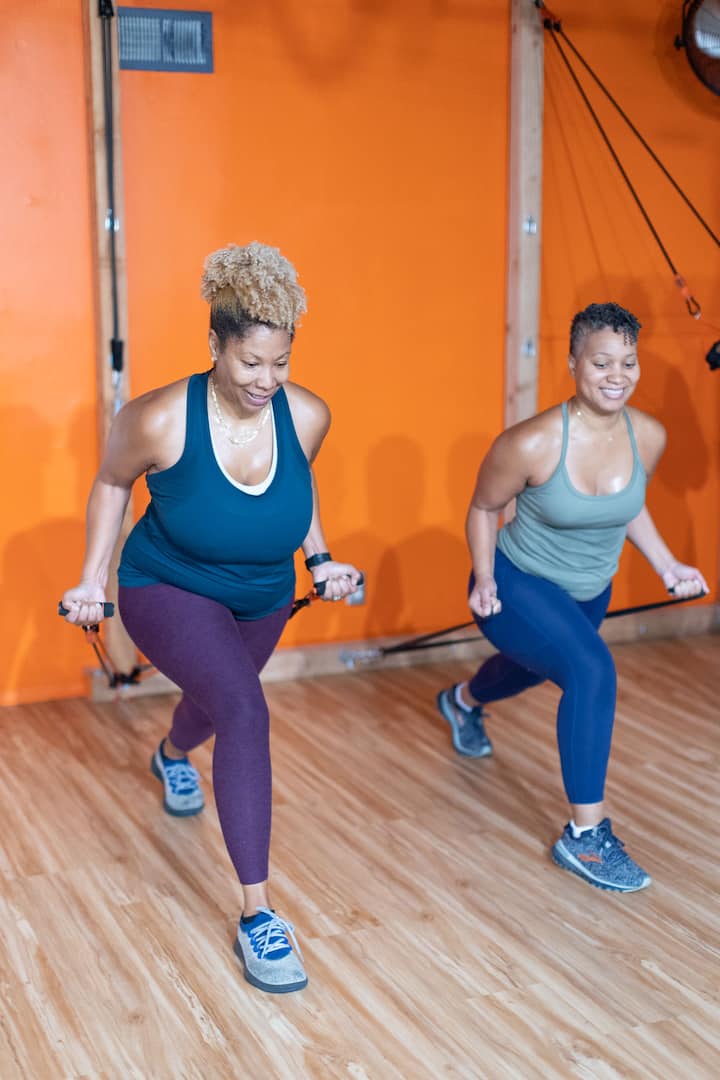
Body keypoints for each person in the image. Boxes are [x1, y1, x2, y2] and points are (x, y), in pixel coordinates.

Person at [61, 242, 361, 993]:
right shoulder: (160, 417)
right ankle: (259, 916)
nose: (267, 380)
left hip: (264, 593)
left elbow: (299, 487)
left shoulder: (308, 414)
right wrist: (91, 578)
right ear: (215, 346)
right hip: (167, 583)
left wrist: (322, 560)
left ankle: (171, 754)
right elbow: (111, 484)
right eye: (251, 362)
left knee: (217, 701)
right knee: (244, 708)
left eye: (280, 362)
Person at [436, 302, 707, 893]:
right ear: (573, 363)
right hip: (515, 581)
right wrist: (484, 577)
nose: (617, 375)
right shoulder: (532, 442)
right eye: (601, 362)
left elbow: (626, 507)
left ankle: (461, 701)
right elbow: (483, 509)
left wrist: (668, 565)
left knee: (531, 670)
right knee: (591, 670)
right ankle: (585, 837)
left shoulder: (649, 436)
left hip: (588, 592)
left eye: (628, 362)